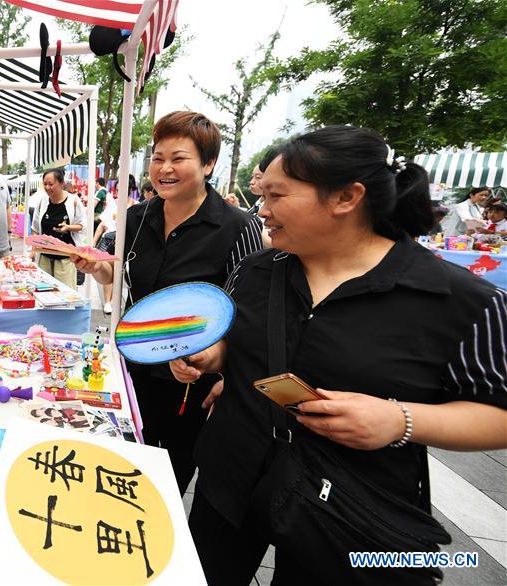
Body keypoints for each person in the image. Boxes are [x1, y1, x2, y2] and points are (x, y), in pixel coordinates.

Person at [172, 125, 507, 584]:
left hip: (348, 509)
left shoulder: (460, 299)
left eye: (276, 196)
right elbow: (240, 341)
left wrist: (400, 421)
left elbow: (498, 413)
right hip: (231, 480)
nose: (262, 211)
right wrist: (214, 357)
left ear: (346, 197)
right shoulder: (257, 271)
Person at [74, 111, 264, 493]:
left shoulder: (237, 226)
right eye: (158, 158)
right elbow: (120, 276)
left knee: (171, 473)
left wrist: (222, 368)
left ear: (208, 164)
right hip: (132, 368)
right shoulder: (136, 217)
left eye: (179, 158)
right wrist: (95, 268)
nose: (164, 169)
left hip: (191, 377)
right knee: (125, 462)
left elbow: (246, 308)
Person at [32, 168, 86, 288]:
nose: (47, 187)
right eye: (45, 184)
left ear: (62, 183)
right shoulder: (42, 202)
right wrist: (33, 250)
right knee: (44, 291)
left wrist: (68, 227)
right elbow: (35, 228)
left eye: (51, 184)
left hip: (66, 258)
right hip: (44, 257)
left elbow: (82, 226)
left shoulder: (74, 202)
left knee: (65, 293)